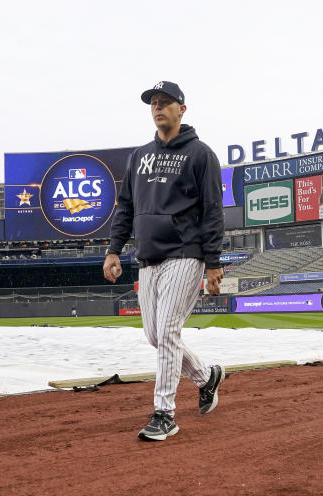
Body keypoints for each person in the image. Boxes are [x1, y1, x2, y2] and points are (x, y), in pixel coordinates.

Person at [102, 81, 226, 442]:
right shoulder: (139, 155)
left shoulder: (201, 154)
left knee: (168, 330)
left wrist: (214, 262)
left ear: (181, 109)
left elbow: (213, 211)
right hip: (149, 256)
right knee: (156, 336)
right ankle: (206, 377)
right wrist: (113, 249)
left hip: (186, 252)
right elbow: (126, 206)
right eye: (154, 103)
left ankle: (164, 413)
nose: (158, 108)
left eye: (166, 102)